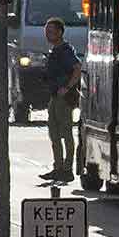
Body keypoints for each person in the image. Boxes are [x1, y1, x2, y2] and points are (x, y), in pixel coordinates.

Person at [39, 17, 81, 183]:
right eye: (46, 31)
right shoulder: (55, 51)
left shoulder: (65, 50)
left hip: (63, 98)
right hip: (54, 96)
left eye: (51, 31)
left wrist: (68, 87)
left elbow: (77, 68)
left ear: (60, 32)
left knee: (66, 133)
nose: (48, 34)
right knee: (54, 133)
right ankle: (58, 167)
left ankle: (67, 169)